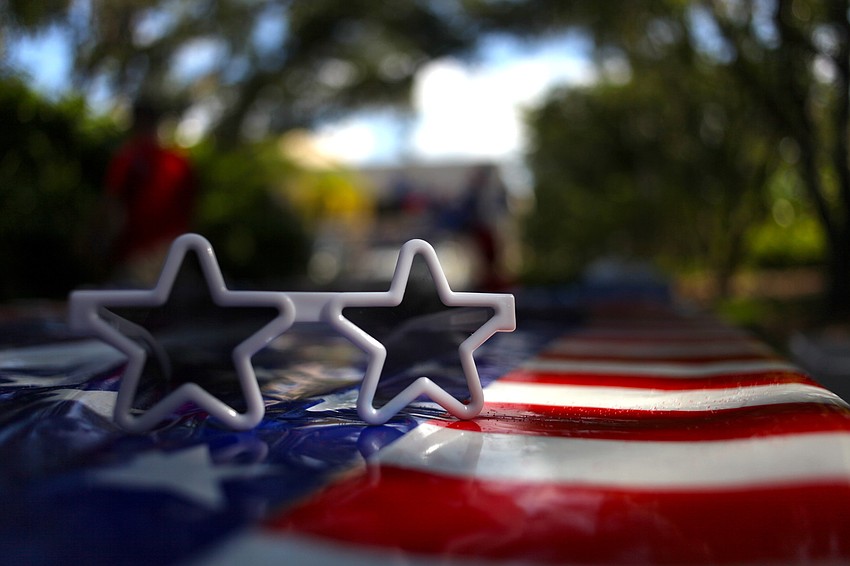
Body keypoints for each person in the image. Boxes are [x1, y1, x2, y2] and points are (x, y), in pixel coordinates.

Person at [103, 100, 197, 285]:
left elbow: (110, 205)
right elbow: (191, 213)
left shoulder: (128, 157)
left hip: (136, 254)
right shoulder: (181, 162)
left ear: (136, 122)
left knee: (126, 301)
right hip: (174, 252)